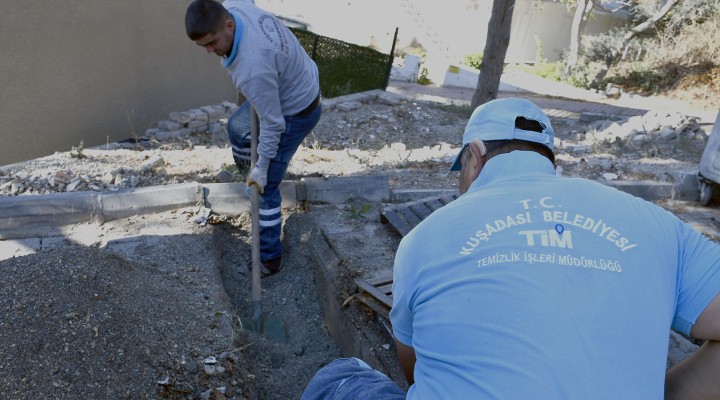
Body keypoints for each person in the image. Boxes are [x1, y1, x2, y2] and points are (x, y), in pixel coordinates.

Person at [301, 98, 720, 399]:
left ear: (475, 157)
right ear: (547, 161)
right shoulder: (656, 223)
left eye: (459, 170)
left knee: (340, 378)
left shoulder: (426, 236)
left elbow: (415, 367)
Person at [185, 0, 322, 276]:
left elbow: (273, 124)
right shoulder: (235, 7)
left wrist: (261, 169)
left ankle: (270, 258)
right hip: (292, 82)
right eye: (204, 46)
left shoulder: (253, 70)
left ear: (229, 24)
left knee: (262, 190)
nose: (210, 51)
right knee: (238, 127)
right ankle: (252, 170)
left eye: (212, 42)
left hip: (295, 110)